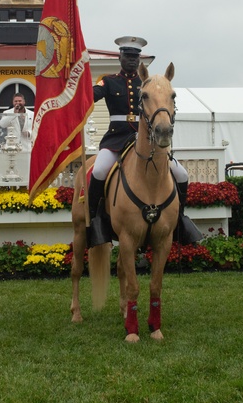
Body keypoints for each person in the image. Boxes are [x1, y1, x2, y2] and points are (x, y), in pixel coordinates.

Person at [85, 36, 201, 248]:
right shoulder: (109, 81)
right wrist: (79, 90)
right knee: (99, 171)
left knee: (182, 174)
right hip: (116, 139)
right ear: (120, 57)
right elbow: (91, 96)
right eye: (127, 56)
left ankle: (180, 220)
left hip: (145, 140)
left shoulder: (146, 85)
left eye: (135, 57)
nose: (131, 60)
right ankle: (96, 221)